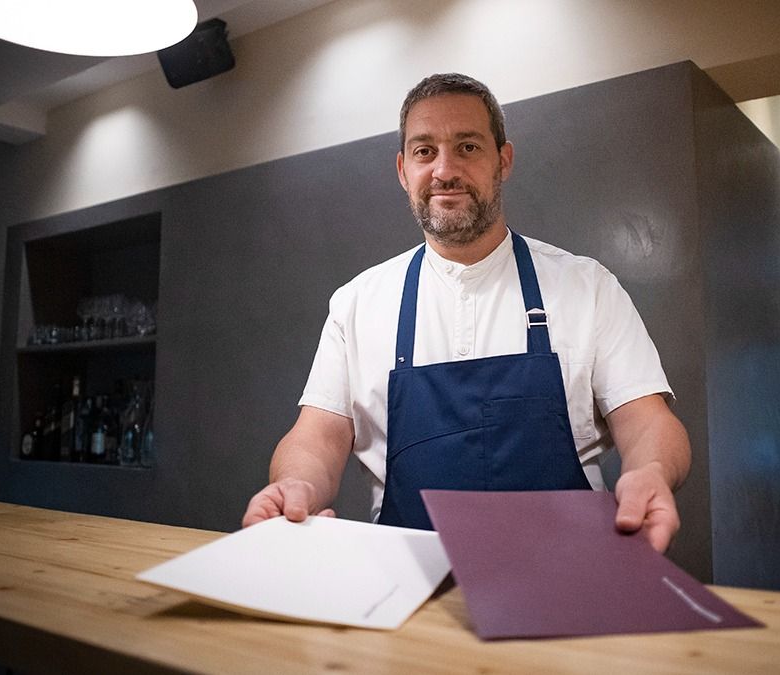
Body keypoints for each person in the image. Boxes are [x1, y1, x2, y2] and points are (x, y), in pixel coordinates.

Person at [242, 73, 690, 552]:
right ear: (402, 170)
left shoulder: (588, 287)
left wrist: (651, 472)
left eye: (468, 147)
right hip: (404, 580)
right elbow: (319, 437)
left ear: (504, 160)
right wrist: (297, 485)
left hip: (570, 570)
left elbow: (647, 420)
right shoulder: (357, 303)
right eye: (424, 151)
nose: (444, 169)